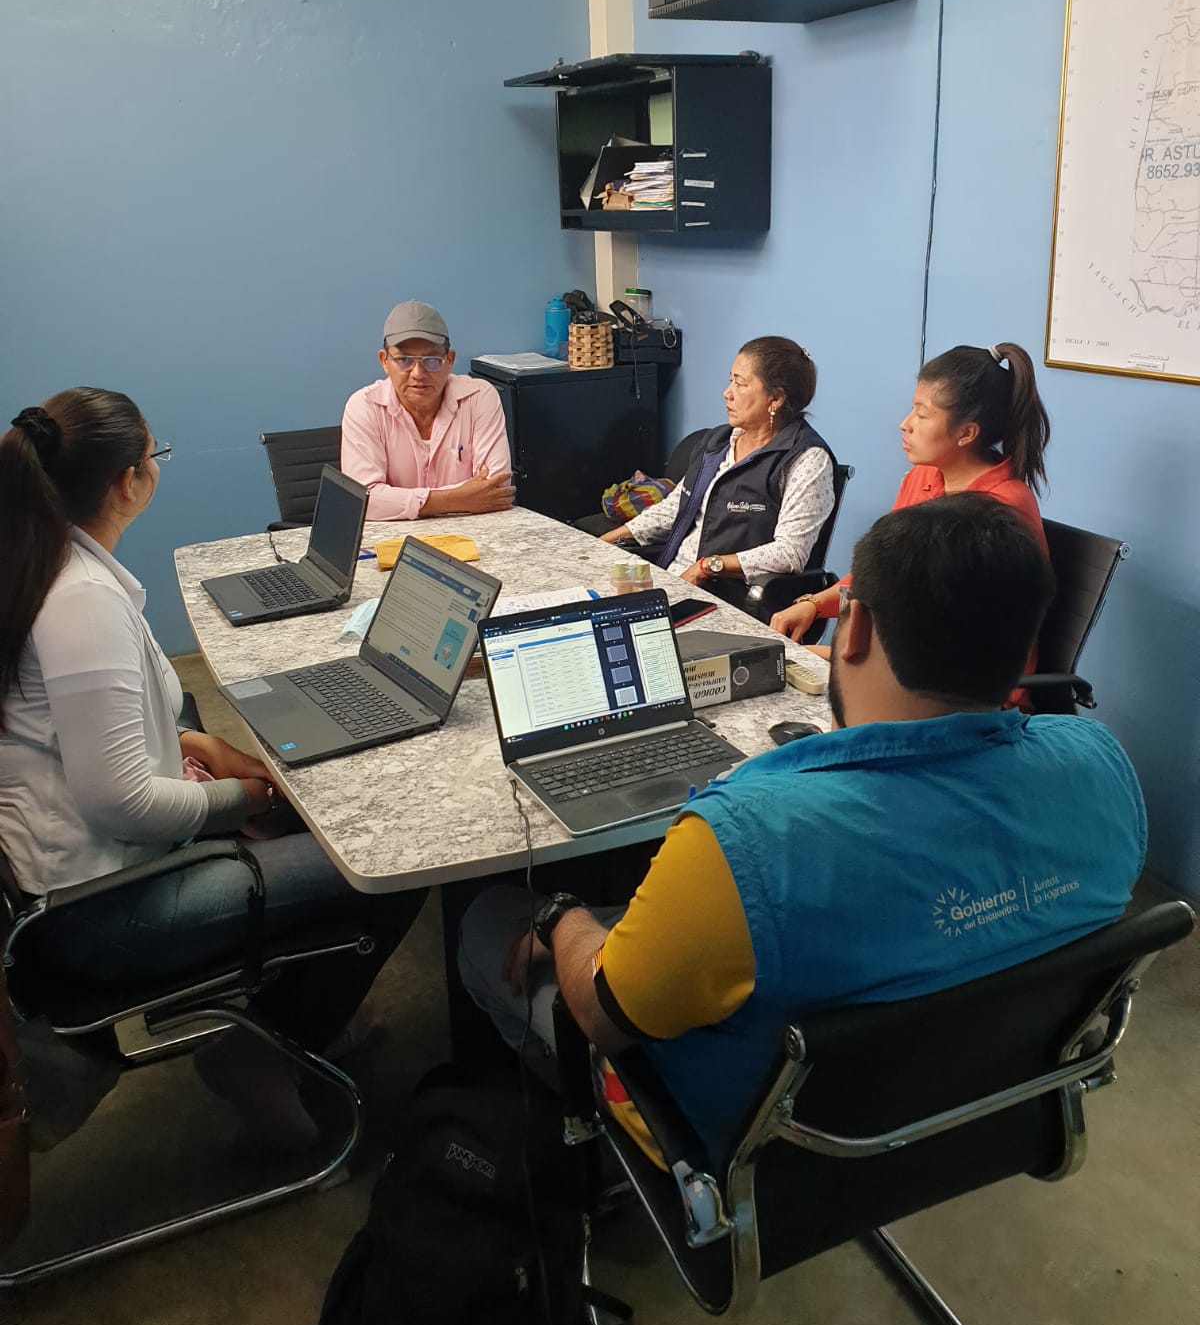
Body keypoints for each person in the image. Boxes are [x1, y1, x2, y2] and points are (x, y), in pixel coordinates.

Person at [458, 495, 1146, 1165]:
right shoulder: (1102, 767)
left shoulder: (742, 837)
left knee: (489, 919)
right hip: (981, 1111)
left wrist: (560, 916)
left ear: (855, 627)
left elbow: (600, 1014)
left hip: (760, 1152)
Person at [0, 389, 426, 1150]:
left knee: (300, 806)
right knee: (391, 863)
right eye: (155, 455)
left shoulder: (45, 563)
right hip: (101, 912)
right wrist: (240, 799)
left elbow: (103, 731)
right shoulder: (81, 604)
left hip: (90, 874)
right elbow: (121, 800)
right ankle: (262, 1053)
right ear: (127, 482)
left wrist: (201, 750)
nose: (157, 468)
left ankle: (315, 1008)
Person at [770, 339, 1051, 643]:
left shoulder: (1003, 507)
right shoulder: (923, 476)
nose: (905, 424)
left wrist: (833, 658)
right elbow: (884, 573)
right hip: (904, 654)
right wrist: (814, 605)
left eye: (922, 414)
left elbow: (955, 637)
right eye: (912, 408)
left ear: (967, 433)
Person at [599, 336, 835, 593]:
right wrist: (601, 543)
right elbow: (674, 509)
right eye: (730, 380)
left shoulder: (807, 460)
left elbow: (790, 553)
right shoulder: (718, 442)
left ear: (775, 399)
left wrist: (707, 567)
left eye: (740, 384)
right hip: (674, 581)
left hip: (727, 595)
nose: (727, 393)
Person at [341, 300, 515, 521]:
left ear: (449, 360)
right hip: (394, 539)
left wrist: (396, 502)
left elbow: (496, 490)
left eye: (431, 360)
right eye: (404, 360)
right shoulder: (364, 406)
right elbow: (363, 501)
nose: (418, 373)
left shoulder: (479, 397)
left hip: (471, 535)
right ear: (384, 361)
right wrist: (455, 500)